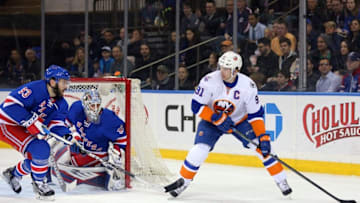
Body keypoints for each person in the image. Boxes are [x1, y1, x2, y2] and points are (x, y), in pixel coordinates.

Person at [164, 51, 292, 197]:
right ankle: (184, 181)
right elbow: (196, 106)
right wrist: (214, 117)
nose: (222, 71)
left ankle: (281, 180)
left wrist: (263, 135)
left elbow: (255, 114)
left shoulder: (248, 86)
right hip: (212, 120)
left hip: (240, 121)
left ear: (236, 70)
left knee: (264, 149)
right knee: (200, 148)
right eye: (221, 67)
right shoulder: (208, 80)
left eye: (226, 68)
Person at [0, 65, 71, 200]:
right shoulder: (35, 89)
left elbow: (57, 123)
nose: (66, 86)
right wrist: (30, 120)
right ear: (52, 81)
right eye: (63, 82)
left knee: (38, 157)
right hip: (6, 124)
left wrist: (65, 134)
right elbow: (10, 106)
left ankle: (14, 174)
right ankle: (39, 184)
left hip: (23, 127)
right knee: (41, 149)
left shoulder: (62, 103)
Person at [52, 89, 127, 191]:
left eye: (97, 105)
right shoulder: (76, 108)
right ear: (85, 105)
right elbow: (66, 126)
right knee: (56, 152)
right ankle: (46, 178)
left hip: (98, 154)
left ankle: (111, 177)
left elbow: (122, 140)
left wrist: (116, 154)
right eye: (92, 105)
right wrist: (74, 138)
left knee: (73, 169)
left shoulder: (109, 119)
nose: (95, 109)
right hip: (80, 147)